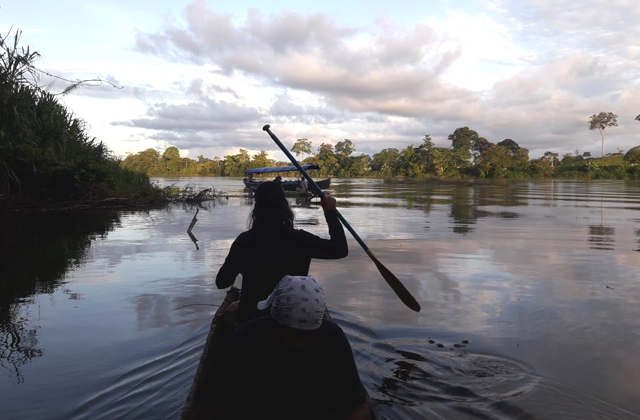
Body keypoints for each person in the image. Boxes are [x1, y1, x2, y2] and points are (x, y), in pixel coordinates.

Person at [203, 276, 372, 420]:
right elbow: (208, 406)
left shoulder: (332, 337)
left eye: (307, 335)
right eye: (291, 333)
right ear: (275, 323)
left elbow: (357, 408)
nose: (298, 343)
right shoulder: (244, 338)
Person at [216, 181, 348, 323]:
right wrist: (330, 213)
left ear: (256, 208)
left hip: (252, 318)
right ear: (285, 207)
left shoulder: (244, 241)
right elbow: (339, 249)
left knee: (230, 315)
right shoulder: (300, 239)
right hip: (294, 317)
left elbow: (222, 282)